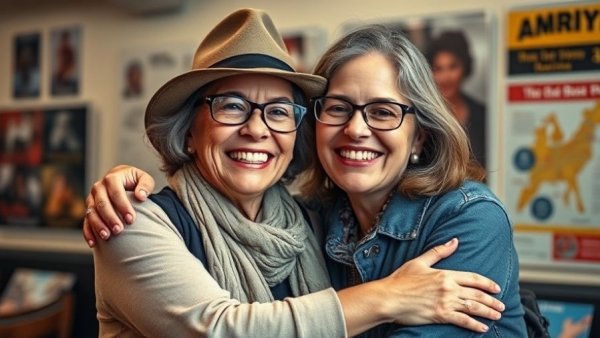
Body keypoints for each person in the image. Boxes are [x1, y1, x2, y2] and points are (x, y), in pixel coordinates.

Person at [86, 9, 507, 337]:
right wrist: (387, 296)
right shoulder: (130, 222)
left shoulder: (311, 222)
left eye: (278, 112)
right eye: (231, 106)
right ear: (190, 131)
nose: (256, 130)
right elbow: (219, 329)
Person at [427, 30, 487, 168]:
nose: (446, 77)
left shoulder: (482, 114)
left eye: (453, 67)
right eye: (438, 69)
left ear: (465, 67)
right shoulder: (424, 114)